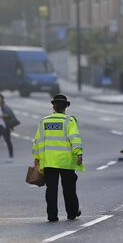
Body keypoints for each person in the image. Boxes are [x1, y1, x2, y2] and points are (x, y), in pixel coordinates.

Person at [32, 94, 84, 222]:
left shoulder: (44, 121)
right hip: (66, 161)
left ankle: (52, 215)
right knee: (69, 189)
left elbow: (37, 141)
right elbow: (75, 139)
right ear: (66, 108)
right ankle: (72, 213)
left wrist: (37, 159)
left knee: (51, 190)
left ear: (53, 107)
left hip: (49, 162)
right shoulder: (69, 121)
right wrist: (79, 153)